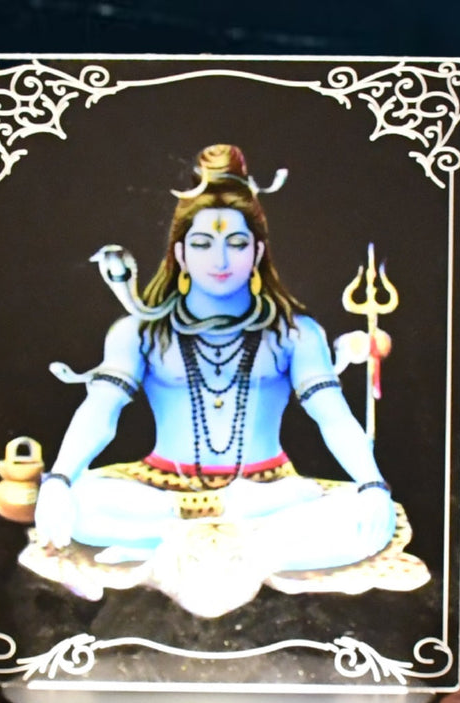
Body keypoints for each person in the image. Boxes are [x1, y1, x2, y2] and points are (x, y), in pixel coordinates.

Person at [33, 144, 396, 574]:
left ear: (257, 253)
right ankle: (231, 544)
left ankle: (178, 547)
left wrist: (372, 484)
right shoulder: (139, 331)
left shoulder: (294, 332)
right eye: (203, 244)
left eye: (236, 244)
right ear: (180, 255)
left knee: (362, 517)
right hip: (162, 496)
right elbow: (100, 410)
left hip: (268, 495)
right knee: (82, 502)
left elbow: (332, 416)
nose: (220, 260)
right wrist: (59, 479)